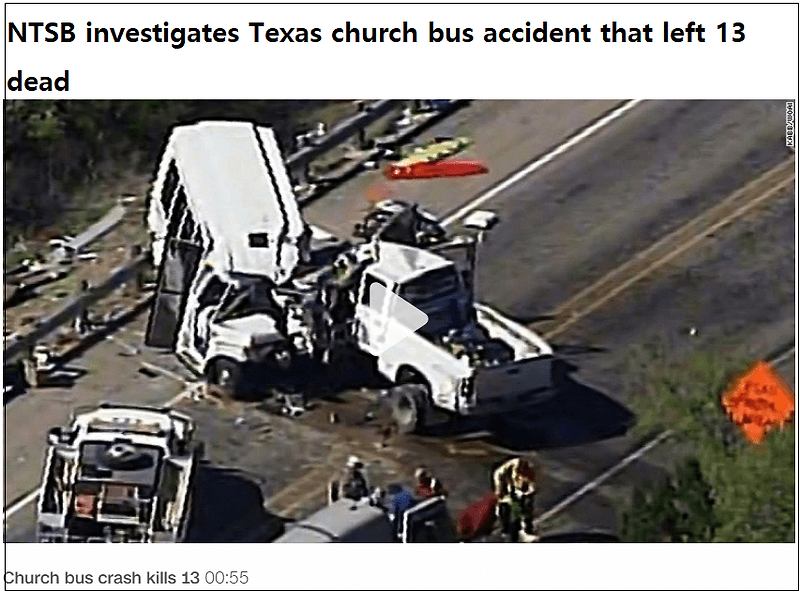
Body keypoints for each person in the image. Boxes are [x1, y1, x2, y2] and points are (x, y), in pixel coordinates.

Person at [493, 458, 537, 541]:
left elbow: (533, 486)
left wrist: (530, 492)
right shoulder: (514, 470)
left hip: (516, 480)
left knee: (527, 502)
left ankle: (528, 527)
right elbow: (512, 484)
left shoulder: (530, 472)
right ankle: (505, 526)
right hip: (502, 478)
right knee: (507, 500)